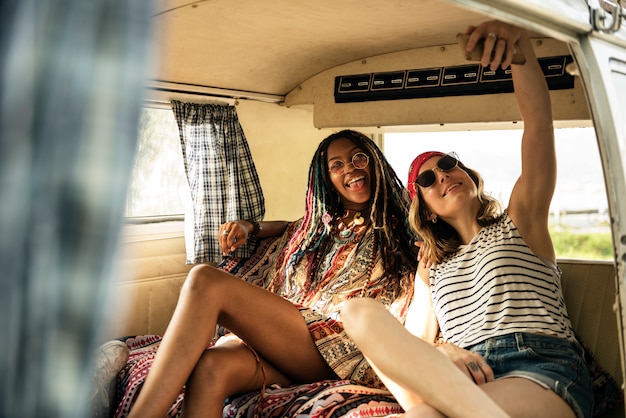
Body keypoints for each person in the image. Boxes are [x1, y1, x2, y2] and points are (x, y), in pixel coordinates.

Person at [340, 20, 593, 418]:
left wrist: (520, 50)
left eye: (448, 164)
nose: (442, 175)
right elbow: (413, 345)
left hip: (538, 367)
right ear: (423, 207)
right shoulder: (432, 267)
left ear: (469, 176)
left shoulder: (520, 220)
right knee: (357, 311)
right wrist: (442, 350)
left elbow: (538, 126)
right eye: (428, 178)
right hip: (464, 378)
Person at [107, 129, 419, 417]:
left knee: (205, 280)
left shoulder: (402, 221)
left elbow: (444, 233)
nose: (350, 168)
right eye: (336, 165)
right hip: (296, 348)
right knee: (211, 367)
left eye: (358, 157)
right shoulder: (320, 225)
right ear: (327, 179)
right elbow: (288, 227)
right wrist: (250, 226)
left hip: (340, 345)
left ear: (374, 162)